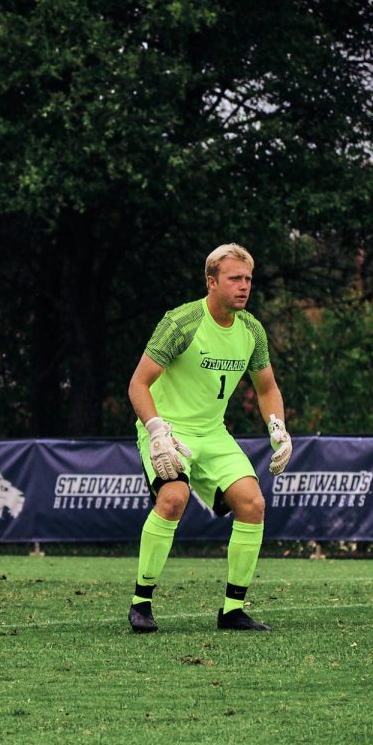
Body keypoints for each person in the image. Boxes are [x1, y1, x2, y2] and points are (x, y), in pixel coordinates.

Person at [127, 243, 292, 633]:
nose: (244, 286)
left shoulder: (251, 329)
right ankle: (141, 604)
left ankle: (232, 611)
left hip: (213, 433)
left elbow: (267, 387)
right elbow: (138, 384)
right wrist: (155, 430)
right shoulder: (181, 322)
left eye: (248, 279)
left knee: (253, 503)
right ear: (211, 282)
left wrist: (278, 428)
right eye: (235, 278)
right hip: (168, 430)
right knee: (173, 498)